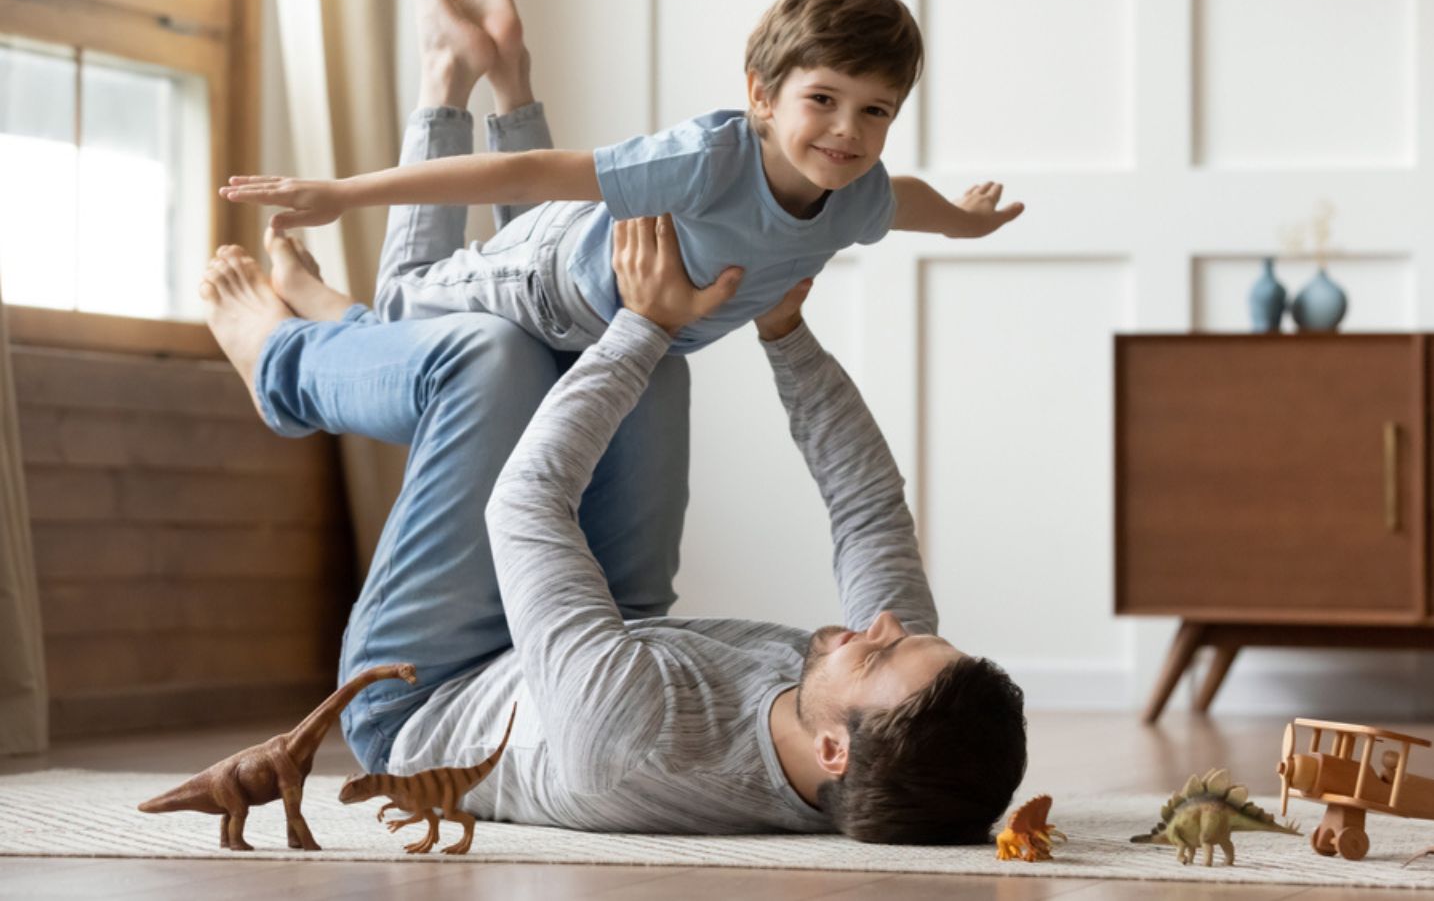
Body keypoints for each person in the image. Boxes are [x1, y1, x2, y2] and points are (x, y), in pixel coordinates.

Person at [197, 213, 1027, 844]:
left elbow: (524, 503)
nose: (881, 626)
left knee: (492, 361)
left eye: (879, 651)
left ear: (835, 755)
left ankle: (283, 363)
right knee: (648, 363)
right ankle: (352, 326)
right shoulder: (892, 710)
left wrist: (646, 323)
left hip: (425, 690)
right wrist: (783, 330)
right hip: (614, 636)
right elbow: (866, 504)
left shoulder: (634, 744)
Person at [219, 0, 1024, 357]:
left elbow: (910, 201)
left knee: (551, 223)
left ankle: (507, 67)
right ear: (762, 95)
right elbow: (526, 176)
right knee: (398, 314)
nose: (847, 132)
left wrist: (967, 225)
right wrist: (341, 193)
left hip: (591, 289)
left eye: (875, 111)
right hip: (544, 279)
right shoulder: (709, 159)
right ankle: (309, 284)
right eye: (823, 100)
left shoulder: (857, 195)